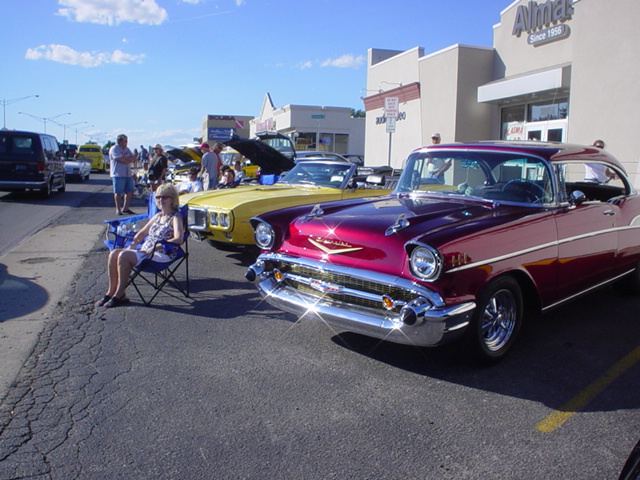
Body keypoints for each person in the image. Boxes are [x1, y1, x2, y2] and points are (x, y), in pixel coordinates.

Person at [96, 183, 184, 308]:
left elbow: (179, 239)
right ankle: (110, 292)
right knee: (114, 253)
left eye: (165, 197)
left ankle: (120, 294)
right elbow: (142, 233)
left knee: (124, 256)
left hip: (162, 253)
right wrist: (133, 244)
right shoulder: (158, 216)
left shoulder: (176, 217)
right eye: (158, 197)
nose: (160, 200)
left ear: (172, 199)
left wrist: (158, 246)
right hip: (145, 251)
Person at [109, 134, 137, 215]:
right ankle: (118, 209)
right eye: (125, 141)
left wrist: (127, 160)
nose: (126, 143)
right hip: (118, 174)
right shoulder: (114, 149)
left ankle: (125, 208)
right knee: (118, 192)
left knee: (129, 191)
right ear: (120, 141)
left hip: (128, 173)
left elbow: (133, 158)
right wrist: (128, 160)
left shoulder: (127, 149)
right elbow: (120, 159)